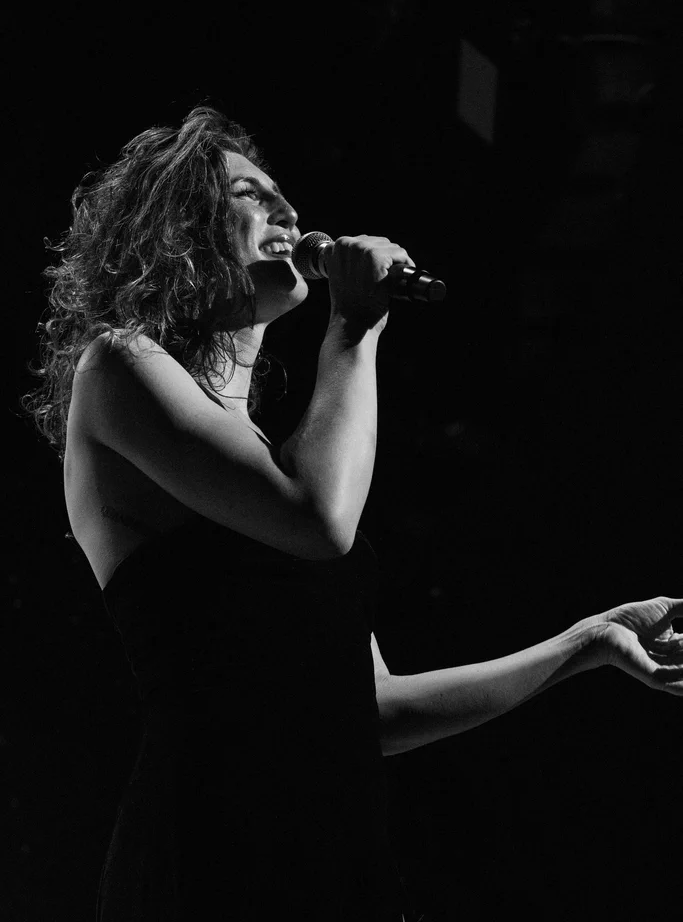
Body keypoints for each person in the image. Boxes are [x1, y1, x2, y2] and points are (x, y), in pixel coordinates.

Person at [22, 105, 683, 922]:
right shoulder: (119, 365)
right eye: (249, 194)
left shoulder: (265, 451)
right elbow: (319, 521)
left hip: (335, 859)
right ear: (177, 229)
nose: (290, 214)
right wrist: (355, 325)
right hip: (211, 854)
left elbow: (369, 712)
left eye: (285, 197)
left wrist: (580, 645)